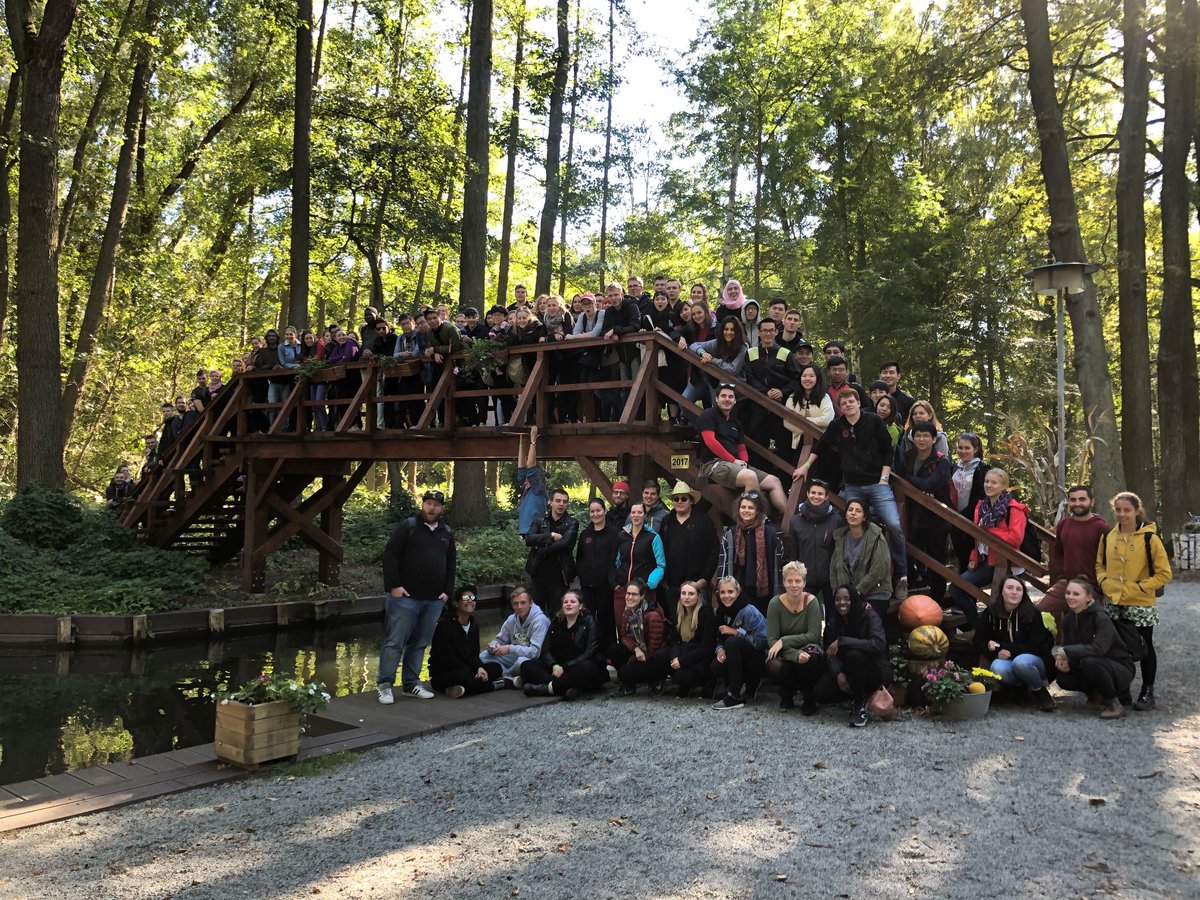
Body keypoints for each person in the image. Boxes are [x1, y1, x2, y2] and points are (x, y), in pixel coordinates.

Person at [796, 387, 908, 598]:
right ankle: (850, 575)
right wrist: (805, 467)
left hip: (877, 483)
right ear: (841, 408)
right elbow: (820, 447)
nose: (848, 406)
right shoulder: (837, 426)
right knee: (844, 524)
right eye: (844, 403)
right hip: (853, 486)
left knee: (893, 524)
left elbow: (888, 450)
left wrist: (884, 479)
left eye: (851, 402)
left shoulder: (874, 421)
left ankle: (901, 574)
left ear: (858, 403)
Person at [377, 489, 456, 703]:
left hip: (433, 600)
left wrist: (447, 592)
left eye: (436, 505)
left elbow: (451, 564)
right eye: (428, 503)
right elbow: (390, 554)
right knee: (395, 642)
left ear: (442, 508)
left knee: (420, 643)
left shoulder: (446, 532)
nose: (432, 508)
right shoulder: (409, 527)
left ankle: (411, 683)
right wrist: (394, 585)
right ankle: (385, 685)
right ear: (423, 505)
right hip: (405, 597)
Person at [1096, 491, 1171, 711]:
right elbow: (1099, 564)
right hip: (1113, 599)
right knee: (1116, 647)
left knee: (1144, 647)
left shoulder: (1150, 538)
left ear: (1137, 511)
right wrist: (1104, 583)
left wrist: (1139, 587)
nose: (1122, 514)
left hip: (1140, 601)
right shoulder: (1108, 536)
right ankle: (1122, 689)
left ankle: (1148, 690)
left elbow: (1164, 573)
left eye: (1127, 510)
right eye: (1118, 510)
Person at [947, 468, 1028, 629]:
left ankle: (983, 628)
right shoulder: (982, 506)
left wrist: (989, 530)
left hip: (1003, 563)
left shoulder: (1014, 509)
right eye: (986, 481)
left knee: (959, 589)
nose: (988, 485)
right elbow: (978, 538)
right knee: (957, 589)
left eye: (994, 482)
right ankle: (979, 626)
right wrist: (973, 557)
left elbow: (1015, 538)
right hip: (984, 560)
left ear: (1004, 486)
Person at [696, 383, 789, 515]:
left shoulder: (735, 422)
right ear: (716, 399)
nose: (727, 399)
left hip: (735, 464)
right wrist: (734, 461)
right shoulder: (708, 415)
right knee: (750, 476)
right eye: (723, 396)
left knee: (774, 481)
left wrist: (743, 462)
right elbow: (711, 442)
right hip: (714, 464)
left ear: (734, 401)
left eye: (730, 397)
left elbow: (741, 448)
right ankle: (757, 521)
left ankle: (790, 523)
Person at [1052, 579, 1135, 719]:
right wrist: (1065, 660)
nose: (1070, 597)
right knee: (1064, 679)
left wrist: (1066, 652)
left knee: (1090, 661)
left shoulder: (1101, 617)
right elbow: (1069, 646)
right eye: (1068, 593)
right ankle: (1095, 694)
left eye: (1076, 594)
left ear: (1089, 597)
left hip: (1120, 668)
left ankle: (1113, 703)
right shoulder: (1068, 619)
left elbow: (1099, 649)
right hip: (1092, 664)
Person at [813, 584, 893, 727]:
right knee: (820, 693)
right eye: (837, 600)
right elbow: (829, 650)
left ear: (854, 600)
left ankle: (860, 705)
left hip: (873, 669)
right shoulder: (834, 618)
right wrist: (838, 674)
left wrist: (843, 641)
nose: (842, 603)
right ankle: (851, 695)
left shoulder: (869, 615)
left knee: (854, 655)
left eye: (846, 599)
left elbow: (878, 644)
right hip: (845, 669)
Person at [973, 576, 1056, 711]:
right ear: (1002, 592)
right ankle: (1019, 689)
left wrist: (1002, 646)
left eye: (1019, 589)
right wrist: (995, 652)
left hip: (1035, 662)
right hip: (1009, 662)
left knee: (1020, 662)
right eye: (1009, 588)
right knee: (997, 667)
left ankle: (1039, 690)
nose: (1014, 592)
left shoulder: (1032, 614)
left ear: (1023, 594)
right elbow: (978, 640)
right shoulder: (991, 613)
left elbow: (1036, 646)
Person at [1038, 485, 1110, 627]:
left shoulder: (1102, 527)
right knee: (1038, 612)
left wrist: (1100, 587)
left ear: (1092, 501)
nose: (1077, 503)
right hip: (1066, 583)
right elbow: (1058, 553)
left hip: (1091, 587)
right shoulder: (1064, 524)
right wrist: (1061, 577)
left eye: (1082, 499)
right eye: (1073, 500)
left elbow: (1109, 560)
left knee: (1088, 628)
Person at [896, 420, 952, 604]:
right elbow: (898, 477)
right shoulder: (906, 456)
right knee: (909, 552)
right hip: (912, 514)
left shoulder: (941, 460)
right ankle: (915, 589)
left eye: (926, 436)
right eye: (918, 435)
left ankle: (937, 599)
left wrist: (910, 480)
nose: (921, 439)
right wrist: (917, 484)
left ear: (934, 439)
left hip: (936, 517)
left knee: (937, 559)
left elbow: (932, 484)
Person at [522, 591, 608, 700]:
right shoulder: (557, 621)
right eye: (565, 602)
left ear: (580, 606)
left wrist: (565, 667)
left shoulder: (589, 621)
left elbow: (590, 651)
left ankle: (549, 688)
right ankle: (567, 687)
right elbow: (546, 649)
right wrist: (554, 665)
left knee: (588, 667)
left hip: (578, 666)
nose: (568, 604)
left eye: (573, 601)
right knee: (526, 665)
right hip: (558, 667)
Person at [765, 562, 825, 713]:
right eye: (789, 581)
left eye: (798, 581)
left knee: (812, 657)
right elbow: (772, 640)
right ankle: (787, 693)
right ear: (784, 582)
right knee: (773, 663)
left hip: (806, 646)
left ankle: (808, 697)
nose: (794, 585)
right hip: (786, 652)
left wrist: (785, 640)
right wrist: (793, 654)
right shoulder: (774, 603)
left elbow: (815, 635)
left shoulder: (811, 602)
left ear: (804, 583)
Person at [658, 480, 720, 623]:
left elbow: (714, 550)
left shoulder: (704, 521)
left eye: (684, 498)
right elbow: (659, 551)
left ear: (691, 501)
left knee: (700, 623)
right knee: (675, 623)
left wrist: (704, 579)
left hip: (697, 584)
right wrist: (664, 580)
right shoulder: (667, 521)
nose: (680, 502)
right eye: (676, 499)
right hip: (672, 586)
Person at [429, 586, 505, 698]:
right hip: (445, 672)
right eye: (465, 597)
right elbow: (446, 659)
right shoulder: (445, 625)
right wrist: (472, 671)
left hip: (467, 669)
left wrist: (479, 668)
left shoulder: (473, 625)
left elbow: (473, 655)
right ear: (456, 603)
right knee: (466, 677)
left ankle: (457, 689)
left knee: (496, 667)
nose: (470, 600)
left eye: (472, 598)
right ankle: (499, 685)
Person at [716, 491, 783, 615]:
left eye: (751, 508)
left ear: (758, 511)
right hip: (738, 593)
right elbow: (723, 566)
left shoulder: (772, 534)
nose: (746, 510)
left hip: (765, 594)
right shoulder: (730, 533)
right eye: (743, 507)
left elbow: (778, 568)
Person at [709, 576, 769, 710]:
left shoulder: (749, 611)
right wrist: (720, 650)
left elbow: (762, 642)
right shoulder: (721, 611)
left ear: (738, 592)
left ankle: (735, 696)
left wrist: (736, 632)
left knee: (732, 642)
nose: (726, 596)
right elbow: (719, 637)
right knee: (716, 665)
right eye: (723, 592)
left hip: (757, 658)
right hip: (735, 656)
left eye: (730, 592)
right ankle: (737, 687)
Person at [785, 478, 844, 611]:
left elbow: (839, 551)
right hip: (806, 577)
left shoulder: (836, 520)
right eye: (813, 492)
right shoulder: (796, 521)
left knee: (833, 617)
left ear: (826, 496)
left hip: (830, 579)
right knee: (803, 614)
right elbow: (794, 551)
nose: (816, 496)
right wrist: (794, 577)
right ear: (807, 494)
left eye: (820, 493)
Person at [829, 498, 892, 617]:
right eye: (850, 510)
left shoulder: (875, 536)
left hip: (874, 592)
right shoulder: (840, 537)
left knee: (866, 622)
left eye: (858, 511)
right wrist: (839, 593)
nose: (853, 513)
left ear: (864, 517)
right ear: (846, 515)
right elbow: (834, 569)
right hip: (848, 594)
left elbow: (878, 570)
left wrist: (856, 592)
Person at [479, 586, 551, 686]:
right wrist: (493, 646)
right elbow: (500, 639)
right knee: (484, 655)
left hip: (533, 660)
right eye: (515, 603)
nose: (519, 607)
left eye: (523, 603)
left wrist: (509, 648)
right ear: (512, 605)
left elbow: (535, 652)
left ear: (530, 603)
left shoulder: (540, 621)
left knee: (521, 662)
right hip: (514, 654)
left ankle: (505, 676)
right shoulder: (511, 619)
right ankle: (510, 677)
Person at [524, 485, 579, 617]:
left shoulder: (571, 523)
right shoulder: (540, 521)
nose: (561, 504)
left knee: (558, 617)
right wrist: (551, 536)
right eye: (558, 501)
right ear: (550, 502)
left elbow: (566, 544)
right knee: (535, 616)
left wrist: (541, 549)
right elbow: (529, 538)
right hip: (538, 577)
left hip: (559, 578)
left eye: (565, 502)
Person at [575, 498, 621, 647]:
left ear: (605, 511)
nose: (595, 514)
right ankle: (588, 649)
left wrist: (613, 580)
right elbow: (580, 557)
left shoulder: (614, 533)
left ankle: (607, 652)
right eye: (592, 511)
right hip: (587, 585)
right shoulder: (585, 534)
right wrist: (582, 575)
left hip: (606, 585)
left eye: (598, 510)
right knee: (587, 618)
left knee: (605, 619)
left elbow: (617, 559)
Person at [610, 579, 667, 695]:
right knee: (613, 649)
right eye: (628, 593)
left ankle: (656, 678)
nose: (630, 597)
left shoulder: (652, 615)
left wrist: (633, 660)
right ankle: (630, 685)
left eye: (634, 594)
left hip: (653, 656)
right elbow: (624, 636)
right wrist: (636, 649)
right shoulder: (628, 611)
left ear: (642, 596)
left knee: (623, 674)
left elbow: (654, 648)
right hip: (639, 651)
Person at [662, 581, 718, 697]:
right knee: (660, 657)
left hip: (700, 659)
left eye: (691, 594)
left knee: (681, 676)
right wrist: (675, 658)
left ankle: (703, 683)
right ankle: (684, 684)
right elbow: (674, 640)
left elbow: (707, 648)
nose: (686, 597)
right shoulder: (678, 612)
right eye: (683, 593)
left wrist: (682, 661)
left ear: (698, 596)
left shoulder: (705, 613)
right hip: (684, 654)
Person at [613, 502, 667, 605]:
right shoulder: (621, 536)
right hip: (623, 589)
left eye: (639, 512)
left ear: (645, 515)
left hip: (644, 591)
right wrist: (615, 583)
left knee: (644, 620)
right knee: (621, 620)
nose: (636, 515)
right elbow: (615, 561)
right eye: (633, 512)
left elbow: (660, 565)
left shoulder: (653, 537)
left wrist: (649, 585)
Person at [948, 432, 988, 572]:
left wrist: (964, 514)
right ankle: (961, 588)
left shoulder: (982, 469)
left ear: (975, 449)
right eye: (960, 448)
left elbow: (981, 496)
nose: (962, 451)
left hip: (972, 519)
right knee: (960, 554)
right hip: (953, 517)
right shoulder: (953, 466)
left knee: (971, 555)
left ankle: (969, 589)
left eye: (967, 448)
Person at [784, 363, 833, 468]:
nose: (807, 379)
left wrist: (805, 420)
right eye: (804, 375)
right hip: (799, 444)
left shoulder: (824, 397)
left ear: (817, 378)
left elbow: (827, 420)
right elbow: (787, 422)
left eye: (811, 376)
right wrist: (813, 424)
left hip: (821, 442)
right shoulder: (792, 398)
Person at [516, 426, 548, 537]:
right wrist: (521, 442)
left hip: (535, 533)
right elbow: (521, 467)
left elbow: (530, 466)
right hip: (527, 532)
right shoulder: (528, 489)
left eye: (527, 479)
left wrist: (533, 440)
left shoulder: (538, 489)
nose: (524, 480)